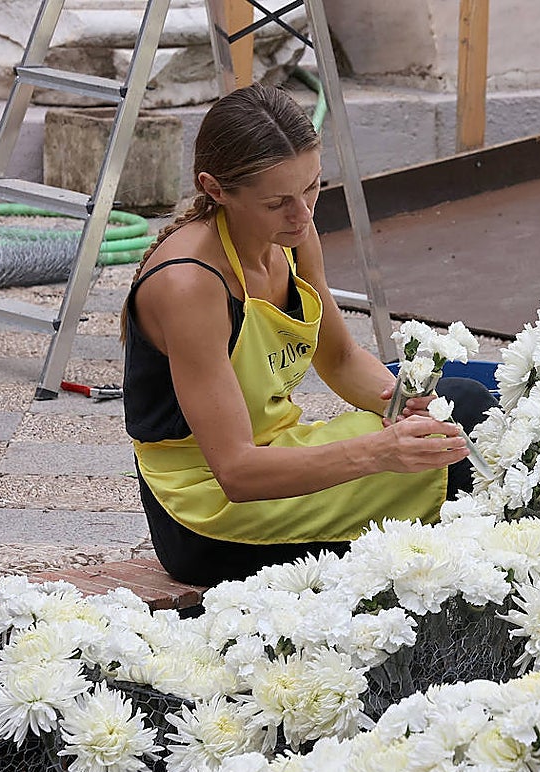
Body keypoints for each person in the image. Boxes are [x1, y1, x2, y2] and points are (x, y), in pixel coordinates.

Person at [121, 83, 494, 587]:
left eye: (313, 187)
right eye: (278, 202)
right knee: (463, 468)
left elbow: (340, 360)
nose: (303, 215)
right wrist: (380, 453)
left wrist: (404, 404)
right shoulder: (189, 285)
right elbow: (236, 472)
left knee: (462, 406)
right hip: (209, 513)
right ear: (214, 189)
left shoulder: (290, 235)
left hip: (277, 456)